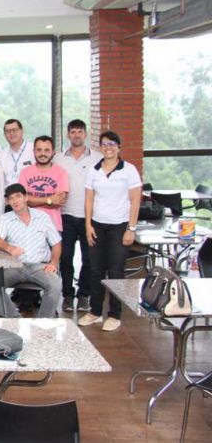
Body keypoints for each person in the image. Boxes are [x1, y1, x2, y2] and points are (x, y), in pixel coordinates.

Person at [78, 131, 141, 332]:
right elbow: (89, 199)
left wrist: (131, 229)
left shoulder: (128, 170)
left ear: (119, 147)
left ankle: (114, 314)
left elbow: (135, 201)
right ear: (100, 147)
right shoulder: (94, 170)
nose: (108, 147)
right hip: (97, 225)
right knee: (95, 269)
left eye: (112, 144)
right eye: (105, 144)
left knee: (115, 271)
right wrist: (88, 225)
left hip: (120, 226)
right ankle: (95, 312)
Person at [54, 119, 102, 313]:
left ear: (86, 134)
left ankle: (84, 295)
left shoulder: (97, 158)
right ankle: (67, 295)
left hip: (89, 217)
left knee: (89, 259)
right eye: (73, 132)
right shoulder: (59, 158)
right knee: (65, 258)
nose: (76, 135)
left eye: (80, 131)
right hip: (65, 215)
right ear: (68, 135)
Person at [0, 184, 63, 318]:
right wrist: (9, 248)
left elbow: (56, 243)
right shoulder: (5, 218)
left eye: (18, 196)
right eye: (11, 198)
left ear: (26, 197)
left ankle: (44, 322)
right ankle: (16, 320)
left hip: (39, 266)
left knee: (55, 284)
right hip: (14, 266)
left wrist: (53, 263)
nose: (15, 201)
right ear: (7, 201)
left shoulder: (42, 217)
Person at [18, 136, 69, 231]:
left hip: (52, 227)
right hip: (28, 227)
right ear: (33, 151)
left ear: (53, 152)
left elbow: (59, 201)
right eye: (39, 150)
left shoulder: (61, 172)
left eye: (47, 150)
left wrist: (32, 200)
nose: (42, 154)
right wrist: (49, 200)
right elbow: (22, 201)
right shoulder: (24, 172)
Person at [0, 119, 34, 186]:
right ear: (4, 135)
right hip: (8, 192)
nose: (11, 133)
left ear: (22, 131)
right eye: (8, 131)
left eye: (14, 130)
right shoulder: (1, 156)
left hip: (29, 192)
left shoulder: (33, 150)